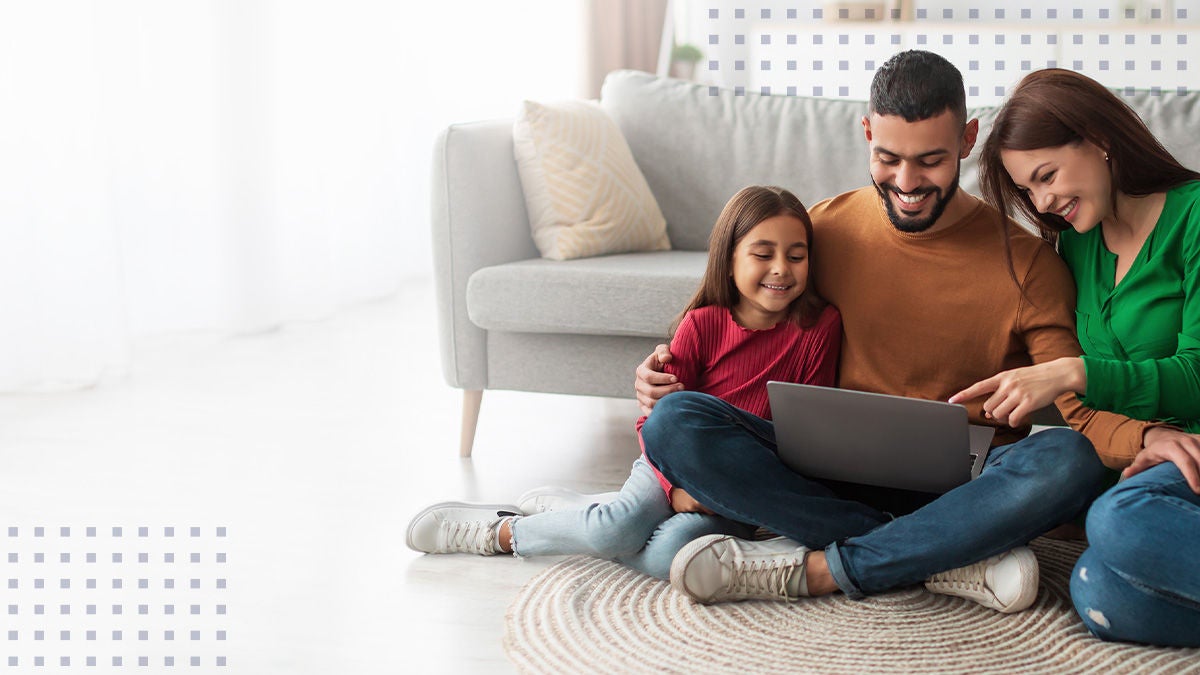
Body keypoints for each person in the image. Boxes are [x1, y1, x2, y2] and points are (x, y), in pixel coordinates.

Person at [635, 50, 1127, 612]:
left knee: (1066, 459)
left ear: (967, 140)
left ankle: (829, 566)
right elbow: (740, 318)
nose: (908, 182)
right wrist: (660, 377)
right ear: (867, 131)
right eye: (888, 157)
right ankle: (942, 552)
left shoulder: (1028, 263)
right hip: (824, 468)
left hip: (961, 478)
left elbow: (1073, 404)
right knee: (674, 423)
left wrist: (1142, 438)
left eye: (931, 161)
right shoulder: (822, 229)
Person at [406, 185, 842, 581]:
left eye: (797, 256)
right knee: (617, 529)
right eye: (763, 254)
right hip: (670, 468)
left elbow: (800, 434)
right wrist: (676, 488)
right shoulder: (703, 325)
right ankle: (502, 532)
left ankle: (579, 511)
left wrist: (722, 491)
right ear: (729, 261)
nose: (781, 269)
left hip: (737, 489)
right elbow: (657, 423)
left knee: (667, 554)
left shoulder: (820, 328)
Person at [950, 68, 1200, 647]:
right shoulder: (1076, 244)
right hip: (1159, 469)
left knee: (1116, 524)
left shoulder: (1193, 217)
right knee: (1096, 589)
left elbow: (1195, 374)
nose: (1043, 202)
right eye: (1028, 191)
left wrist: (1074, 370)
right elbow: (1075, 400)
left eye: (1047, 176)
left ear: (1100, 141)